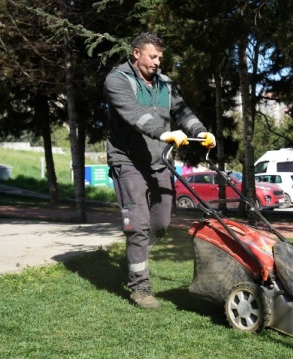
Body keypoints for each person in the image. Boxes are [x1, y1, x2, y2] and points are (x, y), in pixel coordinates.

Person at [104, 32, 215, 309]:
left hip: (158, 162)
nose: (157, 62)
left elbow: (183, 112)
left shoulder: (165, 83)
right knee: (138, 226)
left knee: (161, 223)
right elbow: (133, 113)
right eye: (152, 56)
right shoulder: (117, 80)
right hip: (127, 161)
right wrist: (162, 133)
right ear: (136, 53)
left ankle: (133, 256)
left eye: (160, 58)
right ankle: (140, 288)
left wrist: (201, 132)